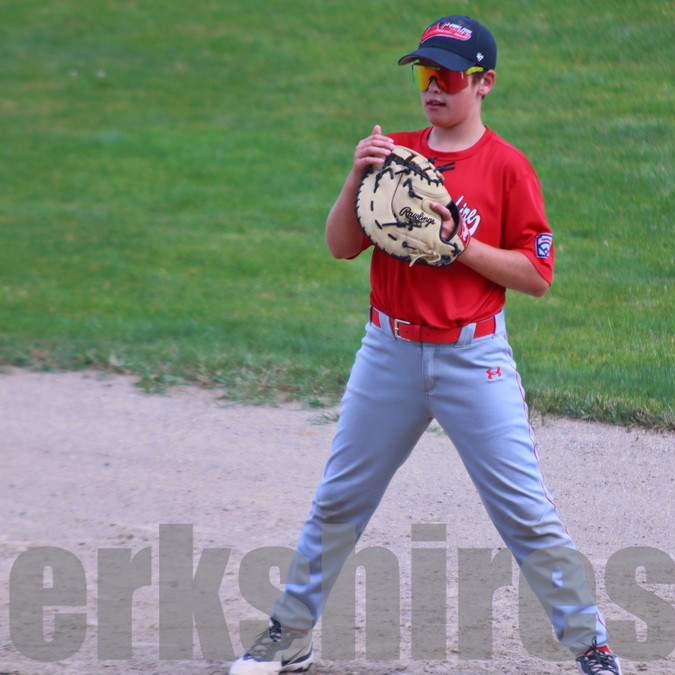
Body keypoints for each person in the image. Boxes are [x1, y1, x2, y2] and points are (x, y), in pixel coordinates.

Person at [230, 15, 621, 675]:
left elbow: (536, 275)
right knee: (340, 499)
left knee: (524, 509)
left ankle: (592, 645)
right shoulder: (395, 155)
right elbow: (341, 246)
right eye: (424, 75)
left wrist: (460, 245)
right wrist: (355, 176)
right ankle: (288, 634)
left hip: (474, 359)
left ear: (485, 83)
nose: (434, 88)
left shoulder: (507, 167)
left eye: (449, 77)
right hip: (387, 354)